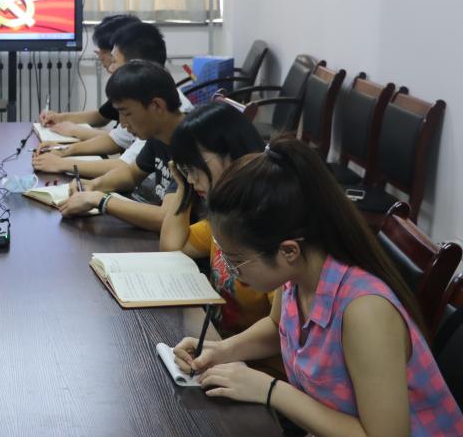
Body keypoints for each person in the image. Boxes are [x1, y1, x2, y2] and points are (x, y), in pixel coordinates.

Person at [173, 137, 463, 437]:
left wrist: (271, 390)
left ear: (288, 251)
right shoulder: (298, 273)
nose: (232, 272)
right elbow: (277, 327)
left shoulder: (366, 312)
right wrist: (220, 350)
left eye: (236, 261)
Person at [159, 102, 281, 375]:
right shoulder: (226, 216)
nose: (192, 178)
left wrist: (222, 352)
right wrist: (183, 187)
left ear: (232, 152)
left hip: (262, 369)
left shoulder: (265, 222)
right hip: (225, 351)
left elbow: (280, 327)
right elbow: (173, 248)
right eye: (186, 170)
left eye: (195, 167)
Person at [33, 21, 192, 179]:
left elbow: (126, 167)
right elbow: (115, 140)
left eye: (114, 61)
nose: (110, 68)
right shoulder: (140, 102)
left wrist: (63, 163)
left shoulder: (159, 113)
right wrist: (64, 150)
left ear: (136, 66)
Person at [53, 60, 185, 231]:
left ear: (157, 106)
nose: (122, 123)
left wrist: (100, 200)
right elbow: (131, 174)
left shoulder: (192, 143)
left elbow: (165, 219)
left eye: (127, 113)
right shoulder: (158, 135)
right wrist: (93, 185)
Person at [38, 14, 140, 140]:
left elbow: (124, 140)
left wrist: (74, 130)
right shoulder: (124, 84)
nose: (100, 57)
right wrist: (60, 118)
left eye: (104, 51)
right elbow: (101, 117)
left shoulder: (139, 86)